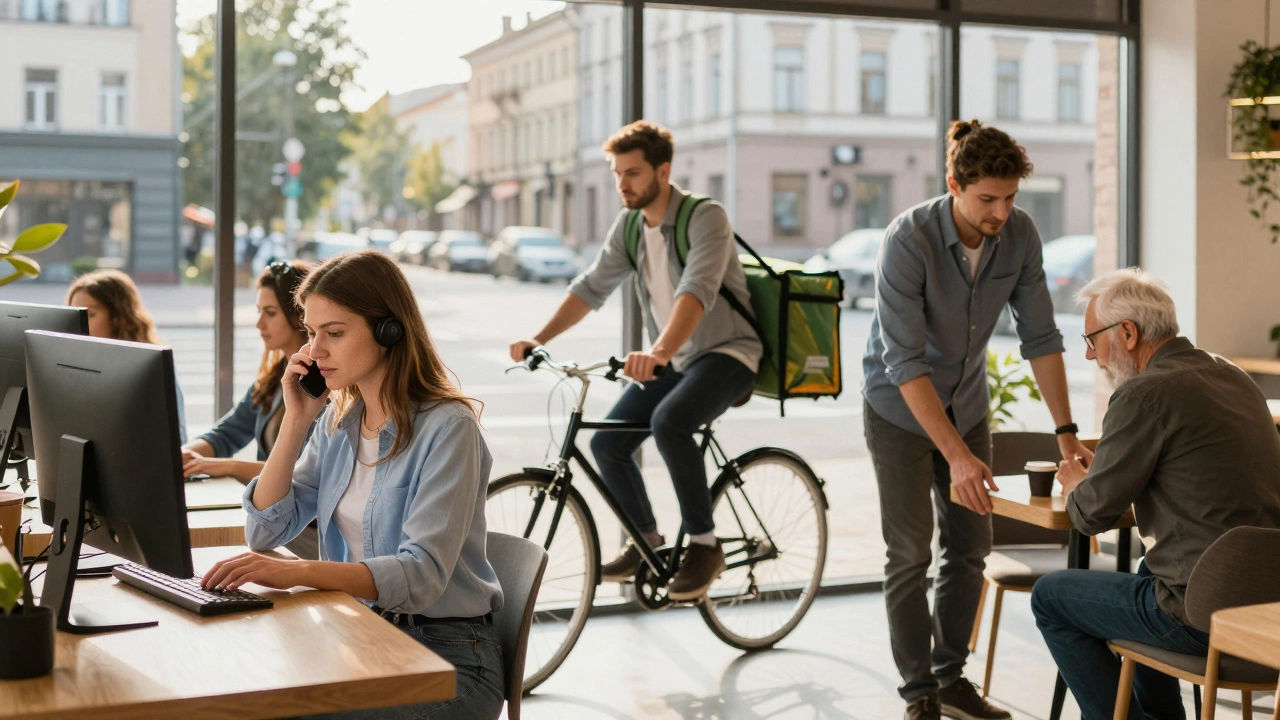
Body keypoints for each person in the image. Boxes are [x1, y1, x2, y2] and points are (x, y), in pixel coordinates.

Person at [201, 250, 504, 720]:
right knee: (235, 687)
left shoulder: (448, 428)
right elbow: (264, 531)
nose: (315, 351)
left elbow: (419, 576)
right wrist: (296, 421)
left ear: (389, 332)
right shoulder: (338, 422)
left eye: (335, 334)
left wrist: (297, 573)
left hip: (448, 657)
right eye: (312, 333)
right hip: (363, 631)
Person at [862, 119, 1092, 720]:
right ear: (954, 185)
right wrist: (958, 456)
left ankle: (950, 679)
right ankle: (918, 695)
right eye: (988, 199)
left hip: (965, 404)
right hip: (899, 409)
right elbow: (905, 362)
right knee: (909, 552)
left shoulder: (1019, 235)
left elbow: (1041, 337)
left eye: (1011, 197)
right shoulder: (907, 239)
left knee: (969, 548)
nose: (1001, 212)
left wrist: (1065, 434)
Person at [509, 120, 762, 601]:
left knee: (670, 422)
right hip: (677, 358)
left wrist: (660, 352)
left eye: (634, 173)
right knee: (608, 442)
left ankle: (706, 548)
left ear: (663, 171)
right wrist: (537, 338)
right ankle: (646, 541)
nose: (623, 184)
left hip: (729, 352)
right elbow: (591, 287)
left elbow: (696, 292)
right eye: (617, 173)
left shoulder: (704, 217)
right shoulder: (630, 225)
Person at [1031, 269, 1280, 720]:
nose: (1090, 356)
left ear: (1127, 332)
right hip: (1265, 604)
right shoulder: (1235, 378)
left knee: (1051, 596)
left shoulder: (1143, 395)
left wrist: (1075, 485)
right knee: (1148, 571)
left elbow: (1089, 516)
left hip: (1199, 614)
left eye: (1092, 340)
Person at [182, 261, 313, 484]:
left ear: (299, 317)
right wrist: (184, 455)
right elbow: (228, 433)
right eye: (259, 311)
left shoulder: (322, 385)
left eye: (270, 313)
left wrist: (227, 466)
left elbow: (302, 475)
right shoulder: (275, 377)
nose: (259, 324)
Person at [67, 269, 188, 443]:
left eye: (90, 314)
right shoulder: (76, 365)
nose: (79, 322)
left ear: (118, 316)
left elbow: (175, 441)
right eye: (74, 314)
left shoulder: (150, 367)